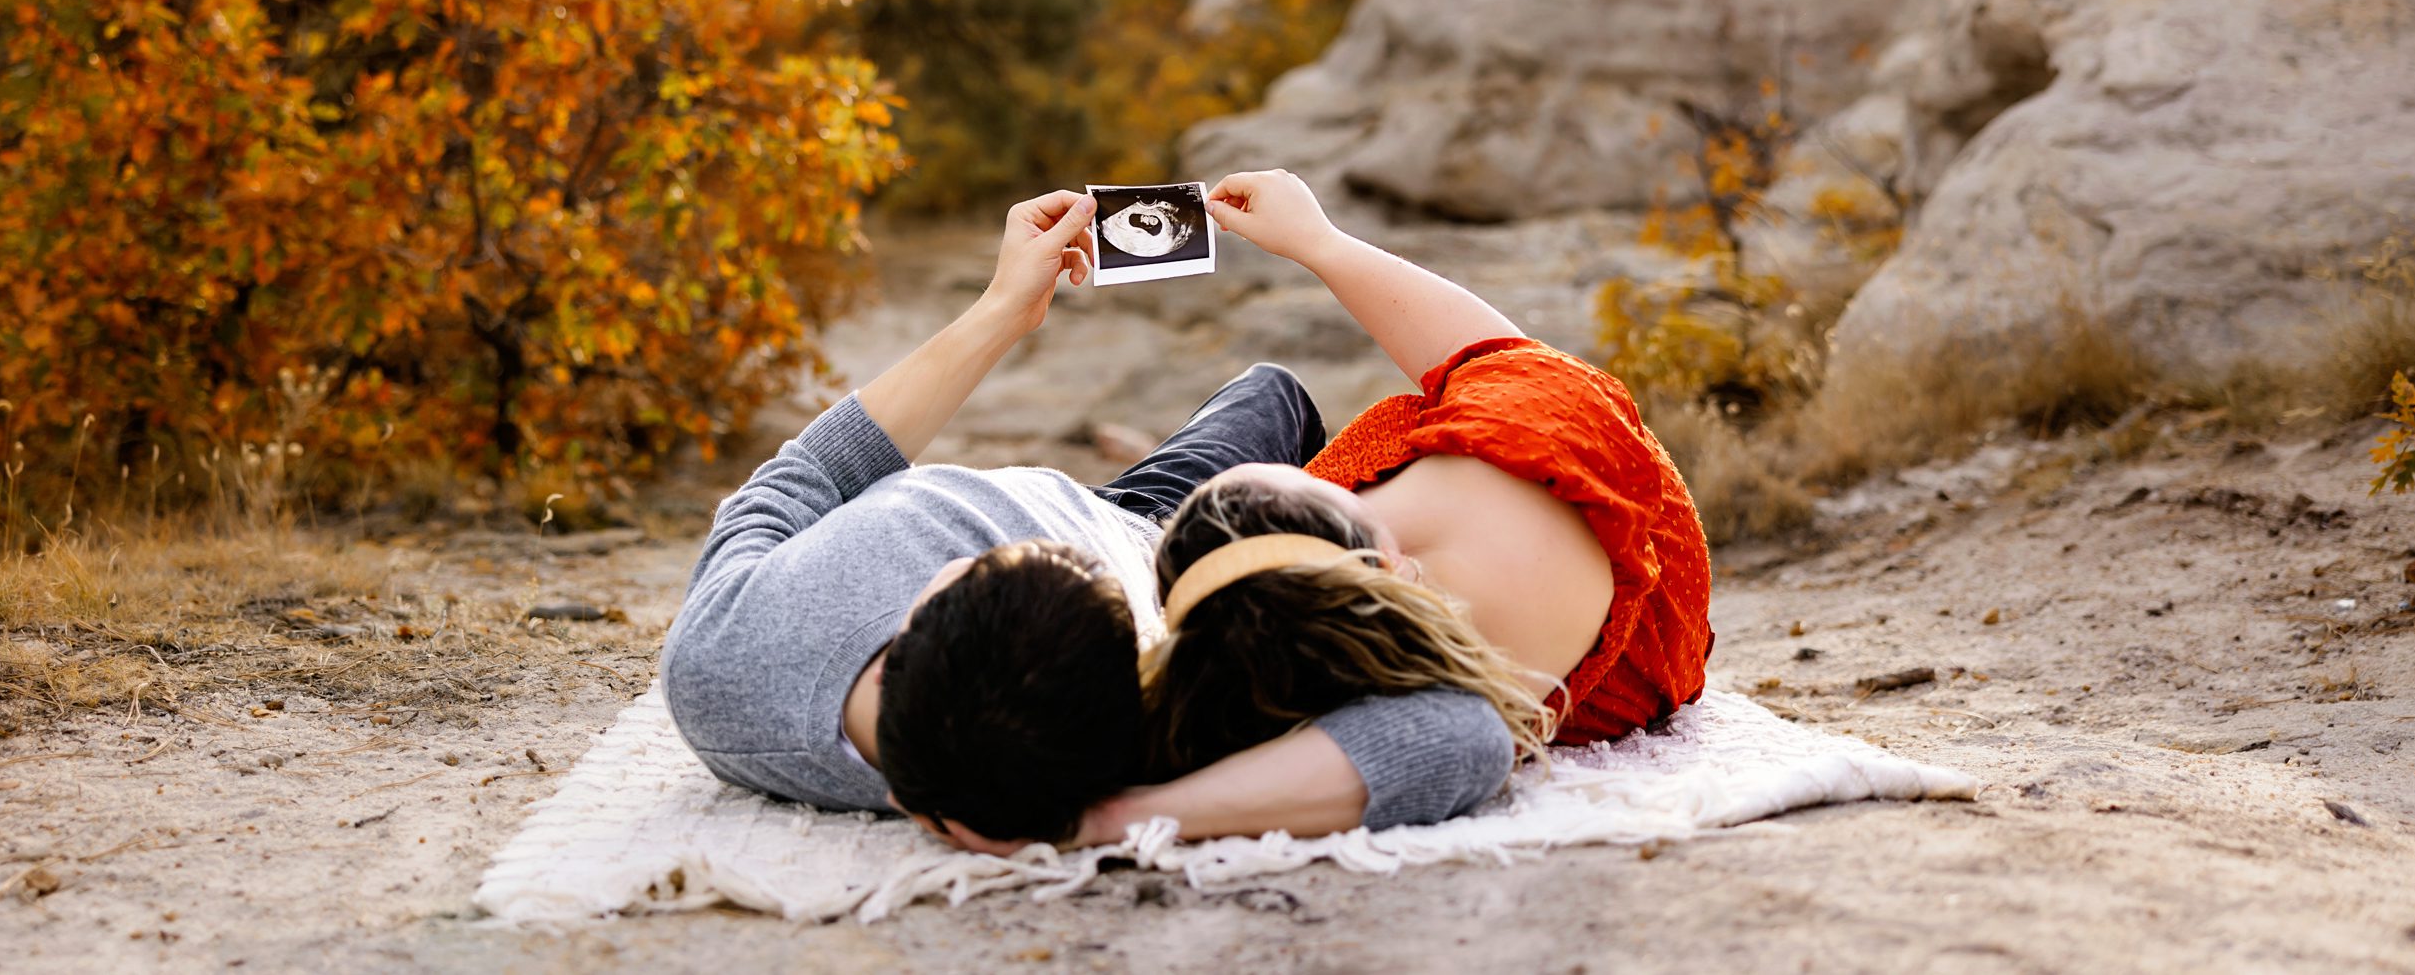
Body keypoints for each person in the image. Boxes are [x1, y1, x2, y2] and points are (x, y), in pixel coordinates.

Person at [658, 188, 1517, 854]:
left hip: (1094, 510)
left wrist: (1004, 309)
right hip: (1172, 534)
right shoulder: (1127, 740)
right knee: (1284, 401)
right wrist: (1117, 819)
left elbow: (808, 473)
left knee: (1267, 389)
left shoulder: (724, 664)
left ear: (911, 633)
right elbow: (1464, 736)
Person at [1082, 169, 1713, 844]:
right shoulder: (1541, 422)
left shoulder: (1324, 676)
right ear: (1380, 547)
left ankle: (1132, 522)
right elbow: (1485, 348)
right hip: (1571, 520)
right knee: (1273, 394)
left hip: (1241, 593)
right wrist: (1319, 242)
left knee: (1264, 397)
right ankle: (1154, 521)